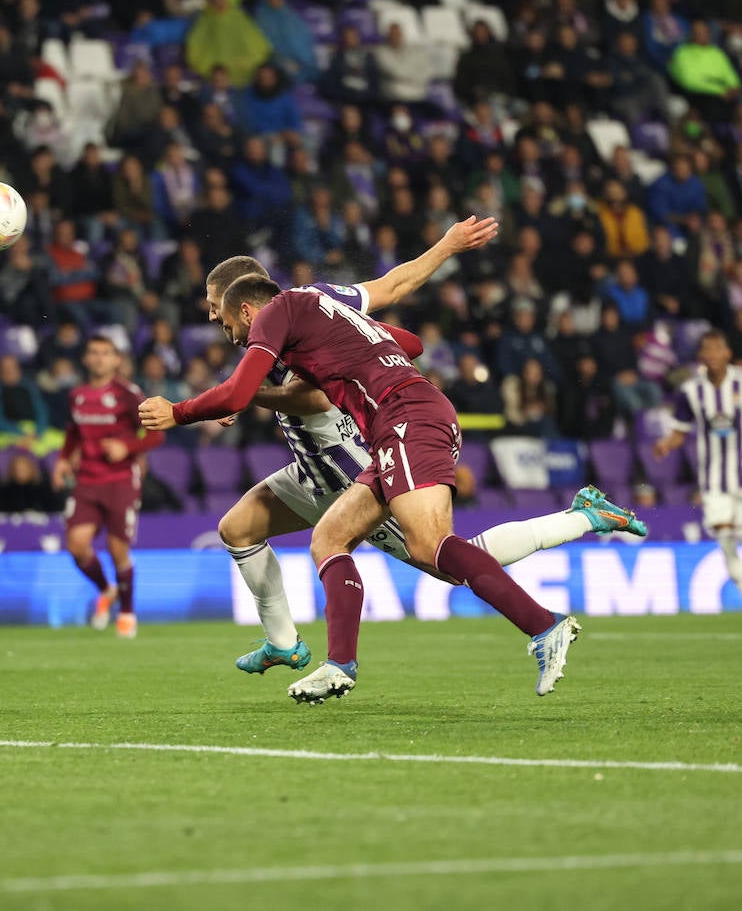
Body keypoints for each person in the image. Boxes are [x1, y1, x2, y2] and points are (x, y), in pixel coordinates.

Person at [140, 222, 638, 703]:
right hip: (390, 429)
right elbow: (407, 328)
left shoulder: (279, 317)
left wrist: (181, 411)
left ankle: (547, 617)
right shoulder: (326, 302)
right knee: (327, 538)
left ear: (244, 306)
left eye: (215, 310)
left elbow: (245, 394)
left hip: (391, 428)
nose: (213, 321)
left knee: (437, 550)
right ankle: (331, 662)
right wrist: (434, 260)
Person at [52, 336, 164, 639]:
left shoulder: (128, 394)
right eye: (93, 352)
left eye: (105, 353)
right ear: (86, 359)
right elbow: (73, 432)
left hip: (120, 481)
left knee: (117, 551)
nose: (99, 358)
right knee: (76, 546)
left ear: (117, 360)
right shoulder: (77, 395)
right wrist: (63, 460)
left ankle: (127, 613)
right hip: (86, 479)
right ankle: (106, 589)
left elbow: (156, 433)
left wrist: (126, 446)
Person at [655, 331, 742, 592]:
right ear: (701, 356)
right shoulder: (691, 391)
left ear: (727, 353)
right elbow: (680, 432)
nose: (713, 354)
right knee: (725, 537)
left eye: (718, 348)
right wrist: (665, 444)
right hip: (714, 479)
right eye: (707, 349)